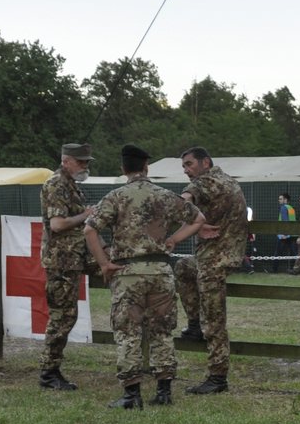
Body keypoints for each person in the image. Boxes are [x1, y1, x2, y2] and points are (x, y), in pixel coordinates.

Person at [84, 144, 205, 410]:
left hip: (128, 274)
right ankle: (164, 391)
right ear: (146, 167)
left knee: (129, 333)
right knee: (162, 331)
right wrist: (173, 239)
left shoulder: (116, 196)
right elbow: (198, 219)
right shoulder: (164, 195)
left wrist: (104, 263)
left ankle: (131, 395)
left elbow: (90, 230)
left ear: (123, 169)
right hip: (161, 272)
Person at [173, 146, 249, 395]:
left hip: (215, 260)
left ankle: (218, 377)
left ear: (205, 162)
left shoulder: (206, 181)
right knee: (183, 267)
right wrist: (199, 224)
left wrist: (186, 220)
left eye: (189, 164)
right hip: (219, 255)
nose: (186, 170)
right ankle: (194, 323)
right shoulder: (225, 179)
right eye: (184, 166)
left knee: (214, 320)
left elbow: (186, 198)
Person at [37, 142, 97, 390]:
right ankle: (49, 372)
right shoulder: (57, 184)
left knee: (67, 316)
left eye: (86, 162)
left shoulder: (70, 185)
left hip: (72, 259)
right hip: (61, 261)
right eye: (80, 161)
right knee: (62, 317)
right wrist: (86, 215)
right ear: (66, 161)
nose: (85, 166)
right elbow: (58, 225)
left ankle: (51, 370)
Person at [275, 191, 297, 271]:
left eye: (280, 199)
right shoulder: (291, 208)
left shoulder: (283, 208)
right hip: (292, 234)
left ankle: (274, 270)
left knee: (277, 253)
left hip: (284, 234)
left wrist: (284, 233)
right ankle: (296, 268)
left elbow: (285, 221)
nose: (279, 200)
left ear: (285, 200)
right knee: (294, 253)